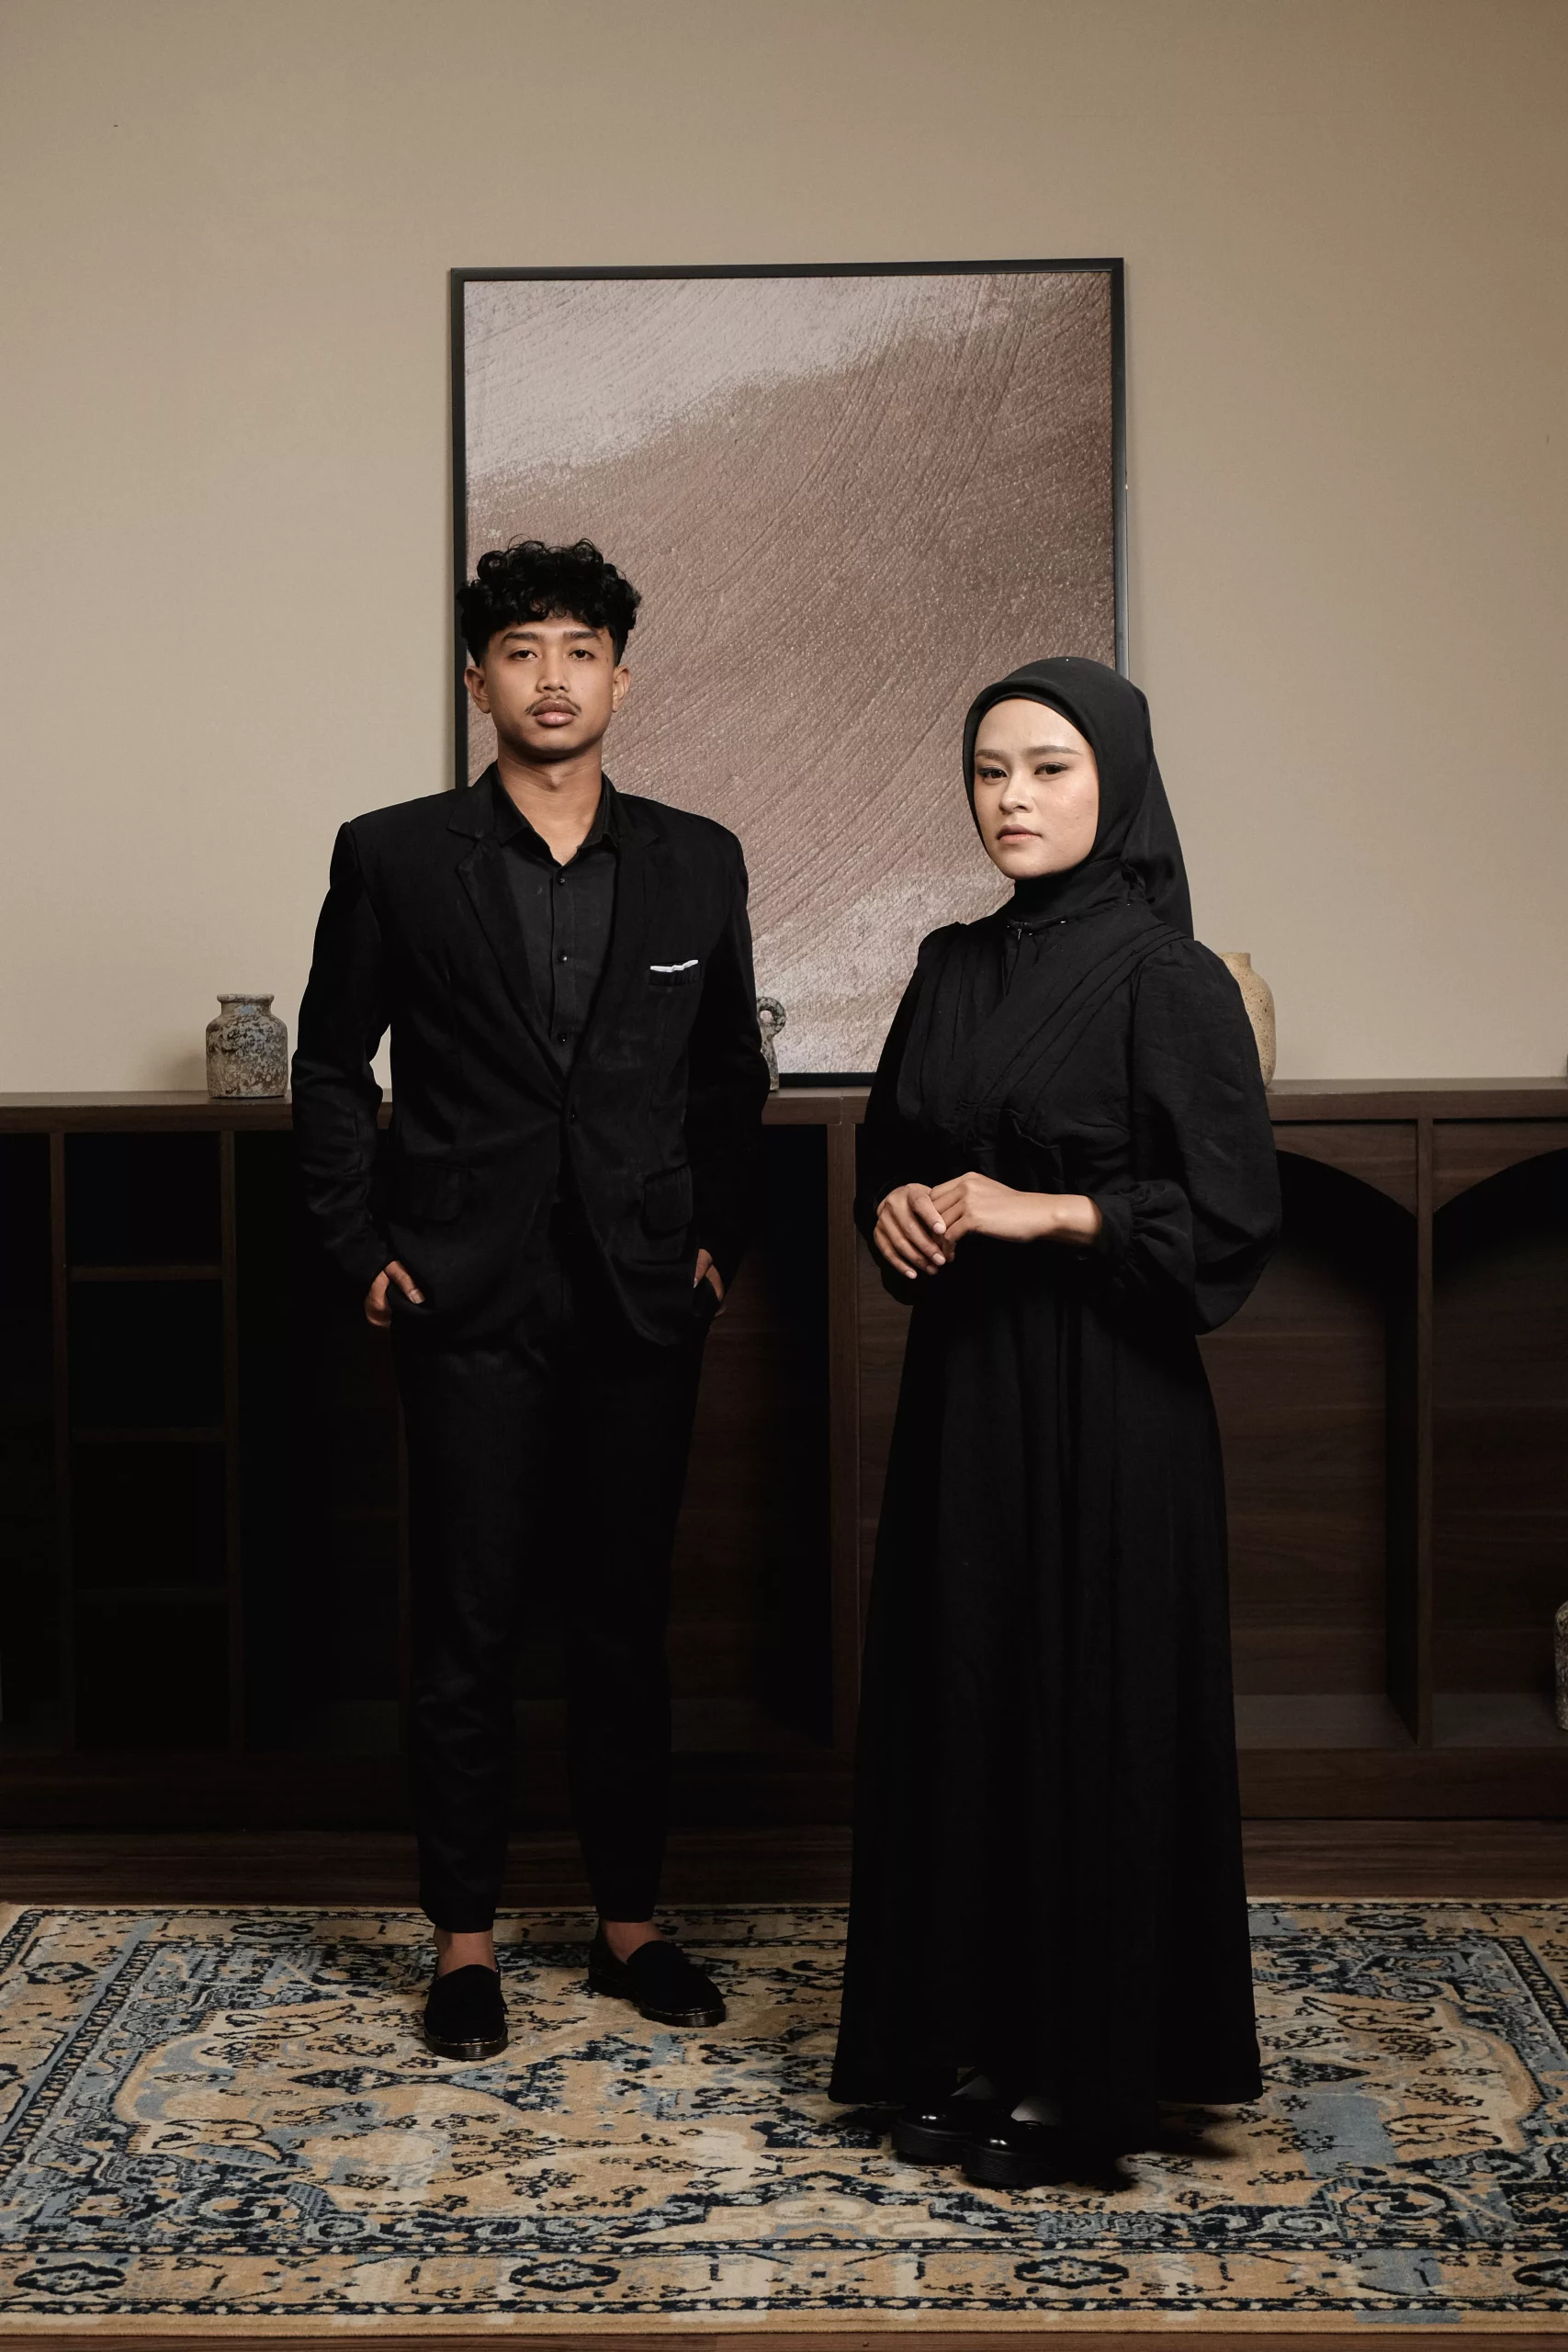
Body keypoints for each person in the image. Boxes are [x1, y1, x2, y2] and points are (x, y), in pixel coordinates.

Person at [293, 538, 768, 2061]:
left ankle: (629, 1925)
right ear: (476, 680)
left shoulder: (697, 858)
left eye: (579, 650)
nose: (552, 678)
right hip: (464, 1291)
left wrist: (715, 1238)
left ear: (622, 677)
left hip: (640, 1292)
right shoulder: (392, 855)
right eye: (521, 651)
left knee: (625, 1623)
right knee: (470, 1626)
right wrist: (358, 1240)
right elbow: (329, 1065)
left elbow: (725, 1075)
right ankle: (465, 1944)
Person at [829, 657, 1280, 2186]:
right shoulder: (948, 965)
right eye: (988, 771)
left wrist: (1055, 1209)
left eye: (1047, 768)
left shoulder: (1169, 976)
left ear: (1116, 783)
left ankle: (1085, 2083)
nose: (1011, 799)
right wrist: (894, 1209)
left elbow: (1229, 1218)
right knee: (968, 1699)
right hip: (966, 1393)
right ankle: (973, 2040)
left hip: (1112, 1405)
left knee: (1091, 1711)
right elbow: (890, 1153)